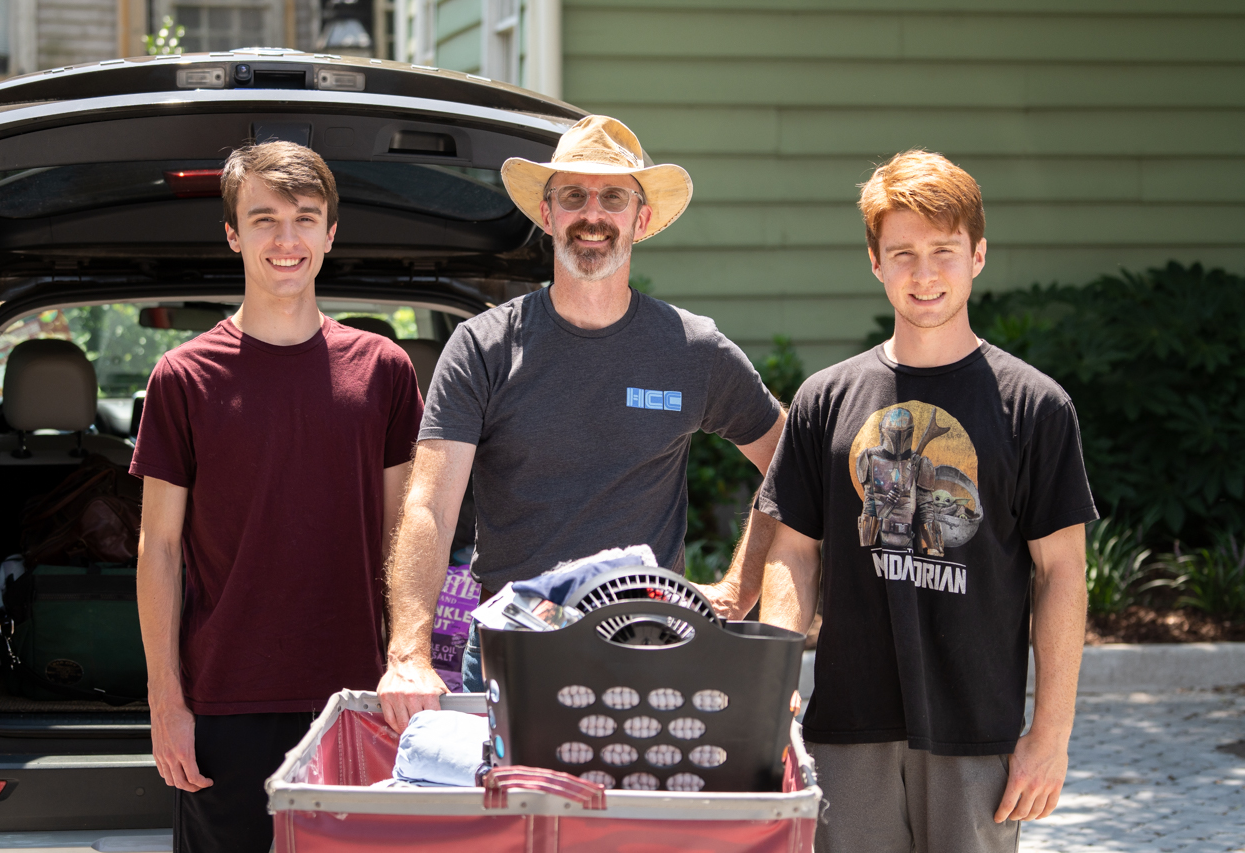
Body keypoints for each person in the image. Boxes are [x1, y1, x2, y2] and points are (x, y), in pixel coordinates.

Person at [377, 115, 786, 731]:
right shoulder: (482, 346)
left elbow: (791, 466)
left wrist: (735, 592)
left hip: (648, 648)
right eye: (573, 195)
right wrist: (407, 652)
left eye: (613, 196)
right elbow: (429, 505)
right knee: (515, 828)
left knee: (631, 831)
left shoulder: (693, 349)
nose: (592, 213)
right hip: (508, 653)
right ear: (547, 214)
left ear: (640, 220)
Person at [758, 150, 1096, 852]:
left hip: (978, 733)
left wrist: (1051, 734)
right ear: (875, 263)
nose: (923, 274)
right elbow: (792, 550)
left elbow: (1061, 571)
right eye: (902, 253)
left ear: (977, 255)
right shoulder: (827, 399)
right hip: (848, 732)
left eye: (943, 251)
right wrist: (774, 680)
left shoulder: (1034, 406)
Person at [132, 141, 423, 853]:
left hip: (359, 701)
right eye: (263, 219)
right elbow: (159, 547)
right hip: (226, 704)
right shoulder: (183, 376)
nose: (285, 239)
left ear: (330, 233)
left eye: (304, 218)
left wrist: (408, 662)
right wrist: (166, 701)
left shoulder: (384, 370)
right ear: (232, 233)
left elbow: (406, 533)